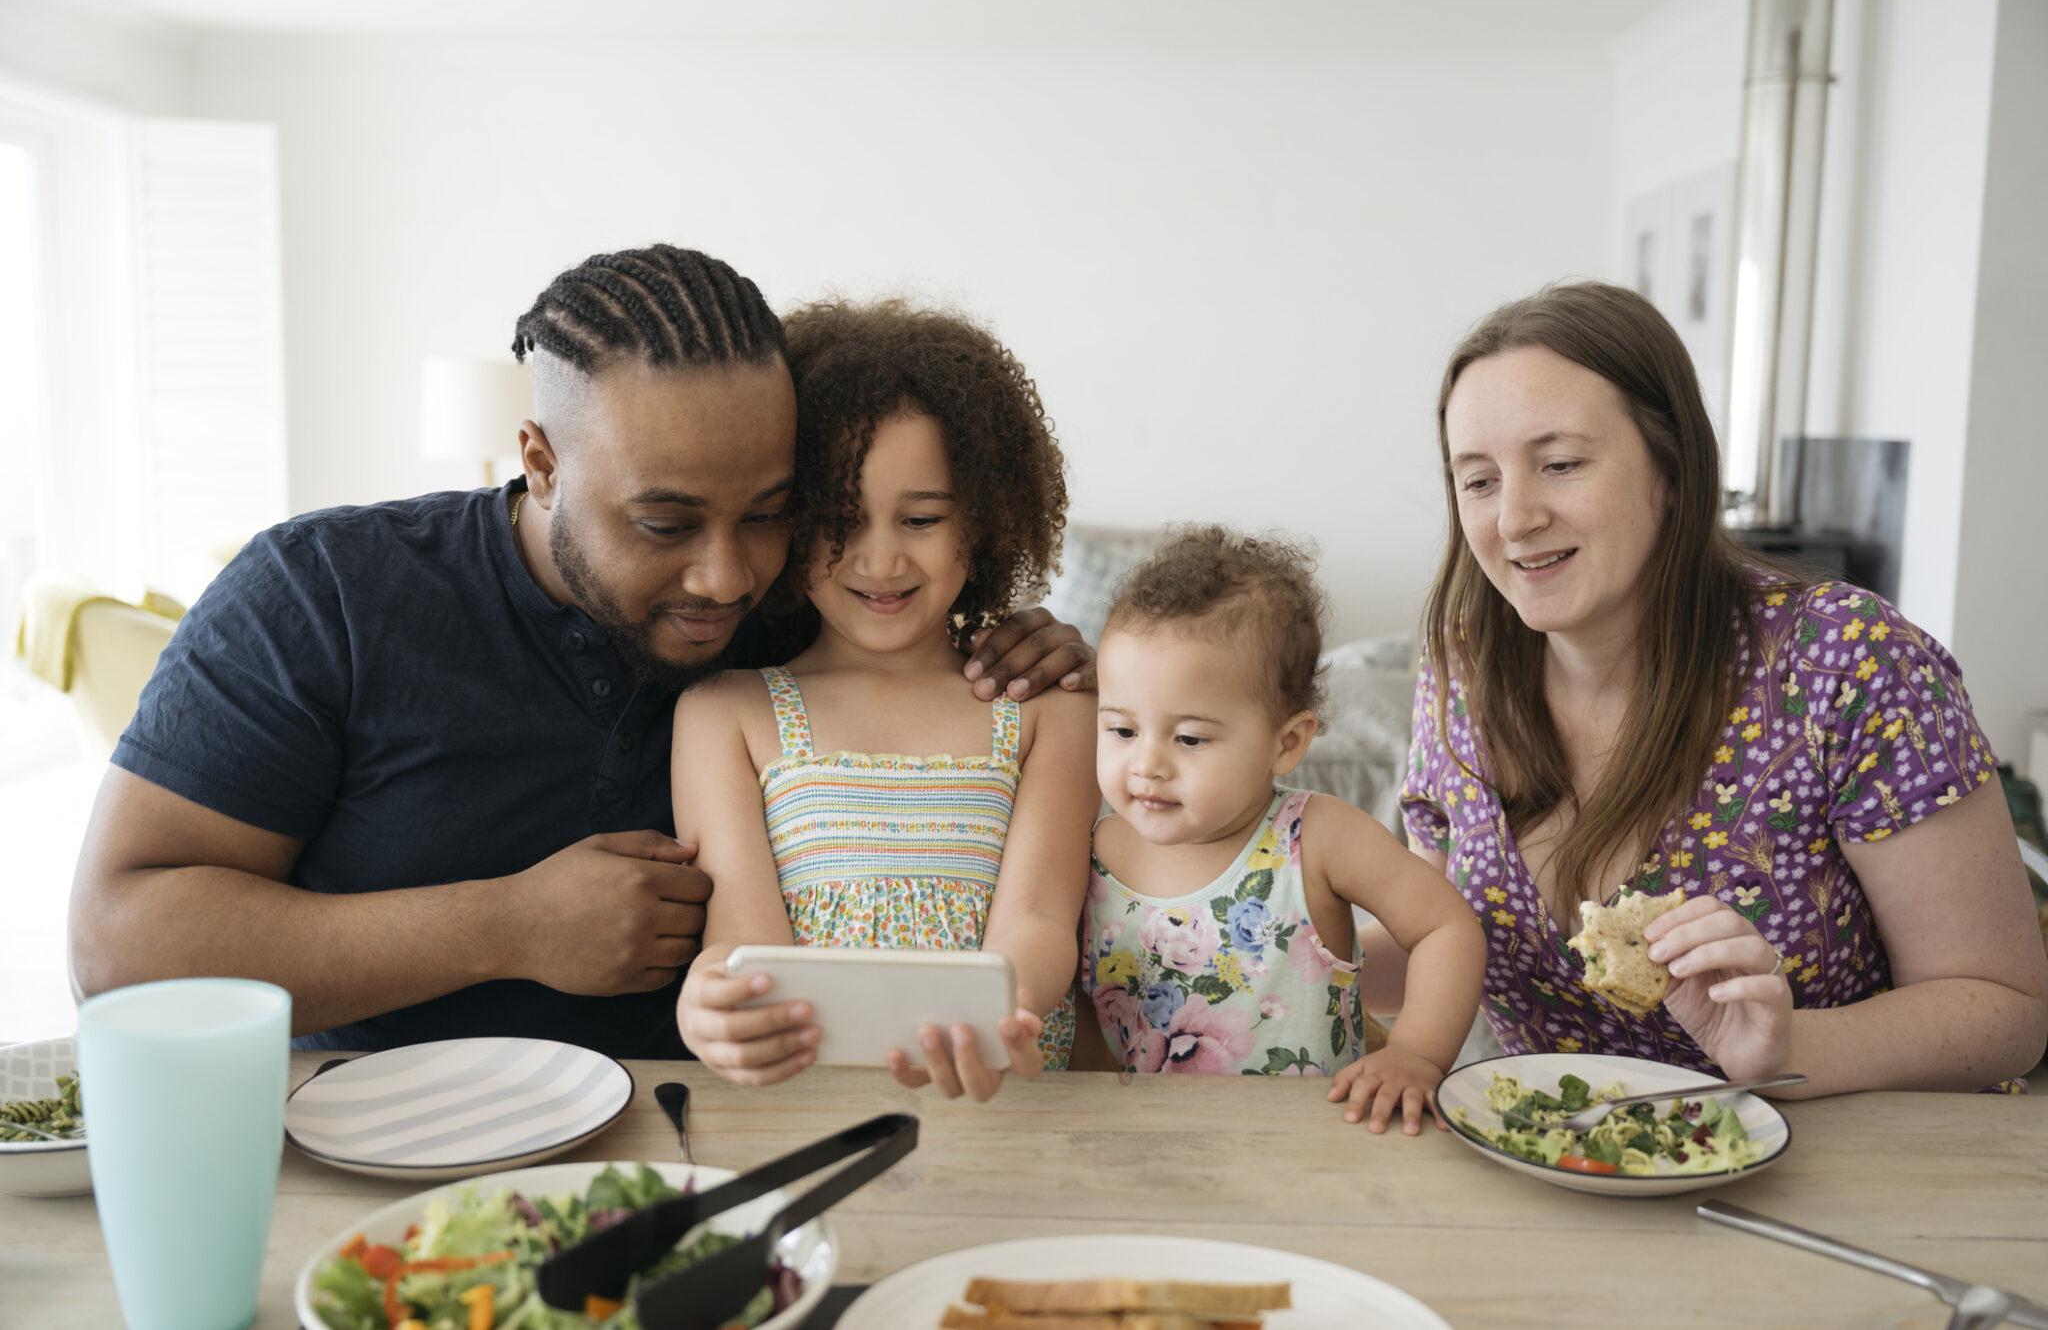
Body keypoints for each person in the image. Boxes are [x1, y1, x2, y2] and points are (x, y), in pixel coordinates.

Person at [66, 246, 1093, 1056]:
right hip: (360, 1137)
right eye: (663, 522)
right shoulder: (324, 592)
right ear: (541, 462)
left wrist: (1037, 649)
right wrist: (502, 925)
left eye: (773, 512)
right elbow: (119, 949)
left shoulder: (789, 601)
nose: (726, 578)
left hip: (698, 1139)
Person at [1382, 280, 2048, 1094]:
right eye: (1479, 480)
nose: (1514, 518)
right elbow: (1436, 942)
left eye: (1559, 464)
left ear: (1672, 469)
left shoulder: (1847, 663)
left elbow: (2005, 1009)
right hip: (1546, 1168)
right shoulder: (1461, 668)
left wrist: (1789, 1044)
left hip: (1823, 1179)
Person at [674, 299, 1099, 1100]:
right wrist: (710, 1004)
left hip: (998, 1092)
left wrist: (998, 1011)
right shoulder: (723, 711)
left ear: (982, 519)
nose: (879, 556)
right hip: (806, 1102)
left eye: (921, 517)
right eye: (839, 519)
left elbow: (1040, 918)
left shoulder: (1045, 706)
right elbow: (738, 941)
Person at [1078, 527, 1486, 1134]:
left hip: (1315, 1150)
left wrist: (1415, 1053)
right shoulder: (1087, 852)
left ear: (1287, 742)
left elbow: (1445, 926)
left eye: (1189, 738)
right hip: (1144, 1152)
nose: (1148, 765)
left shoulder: (1316, 836)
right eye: (1121, 730)